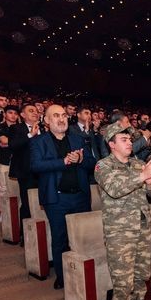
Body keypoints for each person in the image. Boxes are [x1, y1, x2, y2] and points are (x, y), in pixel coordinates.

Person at [94, 121, 151, 300]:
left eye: (130, 139)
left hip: (142, 229)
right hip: (119, 234)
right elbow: (114, 189)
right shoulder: (103, 166)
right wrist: (143, 176)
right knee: (122, 282)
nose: (129, 142)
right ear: (111, 144)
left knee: (141, 275)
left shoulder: (137, 164)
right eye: (124, 139)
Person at [30, 104, 96, 289]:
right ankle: (62, 276)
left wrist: (81, 159)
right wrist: (64, 161)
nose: (61, 119)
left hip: (80, 196)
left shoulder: (78, 139)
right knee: (60, 239)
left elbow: (92, 162)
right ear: (47, 120)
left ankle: (82, 275)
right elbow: (36, 166)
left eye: (64, 115)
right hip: (56, 199)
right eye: (56, 116)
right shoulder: (38, 141)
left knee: (83, 238)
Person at [9, 104, 41, 244]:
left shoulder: (44, 129)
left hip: (42, 172)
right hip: (26, 172)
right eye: (31, 111)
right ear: (22, 115)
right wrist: (30, 135)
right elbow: (13, 145)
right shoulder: (16, 128)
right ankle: (25, 235)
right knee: (27, 204)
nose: (35, 113)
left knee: (41, 202)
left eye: (36, 111)